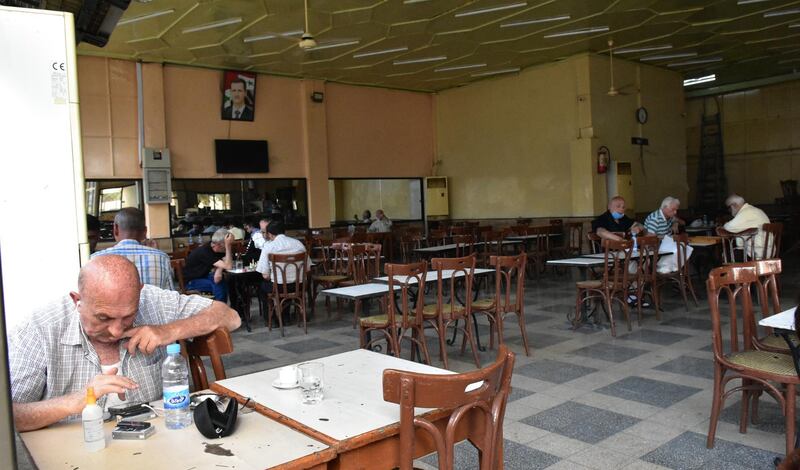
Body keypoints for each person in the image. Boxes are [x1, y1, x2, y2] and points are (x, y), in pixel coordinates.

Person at [8, 255, 240, 431]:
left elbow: (230, 317)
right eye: (103, 318)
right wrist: (75, 401)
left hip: (158, 442)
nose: (117, 330)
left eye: (128, 315)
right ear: (77, 300)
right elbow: (9, 416)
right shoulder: (39, 329)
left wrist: (170, 330)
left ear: (139, 294)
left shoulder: (153, 300)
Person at [91, 208, 174, 290]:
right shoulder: (162, 258)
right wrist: (155, 252)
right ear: (145, 231)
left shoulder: (96, 259)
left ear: (115, 229)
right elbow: (170, 296)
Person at [256, 221, 307, 293]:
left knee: (263, 287)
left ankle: (278, 304)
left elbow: (265, 275)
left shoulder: (268, 247)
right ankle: (293, 303)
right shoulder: (299, 244)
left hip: (278, 287)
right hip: (300, 286)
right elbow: (307, 269)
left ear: (270, 234)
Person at [644, 197, 691, 273]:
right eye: (673, 209)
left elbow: (683, 222)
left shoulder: (669, 216)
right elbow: (650, 238)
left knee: (685, 246)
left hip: (666, 244)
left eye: (676, 210)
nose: (675, 212)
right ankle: (663, 268)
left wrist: (675, 223)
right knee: (680, 246)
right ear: (665, 208)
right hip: (655, 246)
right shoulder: (655, 218)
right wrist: (668, 237)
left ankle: (671, 269)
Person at [183, 229, 233, 301]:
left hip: (205, 277)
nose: (230, 246)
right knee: (219, 284)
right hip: (191, 282)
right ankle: (220, 308)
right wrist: (228, 247)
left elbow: (226, 263)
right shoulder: (205, 252)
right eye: (229, 244)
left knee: (226, 281)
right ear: (220, 244)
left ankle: (224, 307)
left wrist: (219, 269)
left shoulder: (217, 248)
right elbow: (228, 266)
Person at [723, 194, 770, 259]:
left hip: (757, 252)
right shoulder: (756, 210)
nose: (729, 211)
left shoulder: (746, 212)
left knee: (726, 254)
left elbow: (728, 227)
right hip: (767, 250)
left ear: (734, 205)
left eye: (728, 208)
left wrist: (724, 224)